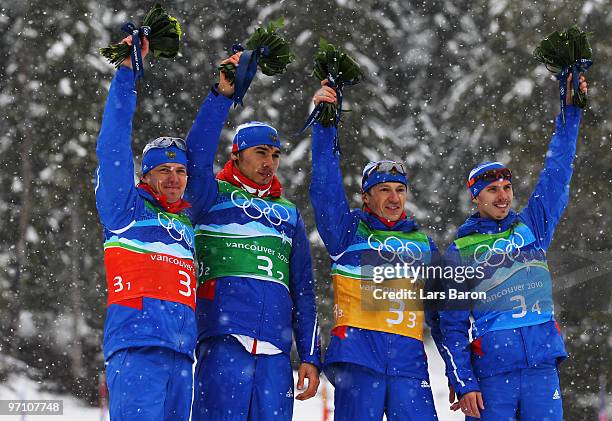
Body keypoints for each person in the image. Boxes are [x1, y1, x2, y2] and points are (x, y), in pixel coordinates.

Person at [436, 74, 588, 420]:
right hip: (491, 376)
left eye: (507, 187)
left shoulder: (531, 227)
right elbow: (453, 327)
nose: (503, 195)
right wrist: (464, 382)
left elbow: (557, 172)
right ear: (476, 197)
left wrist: (570, 114)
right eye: (492, 190)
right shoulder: (459, 251)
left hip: (541, 368)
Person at [185, 53, 321, 421]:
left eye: (276, 155)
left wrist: (310, 356)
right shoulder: (211, 195)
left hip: (275, 356)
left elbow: (303, 291)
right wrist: (220, 96)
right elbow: (193, 159)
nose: (270, 162)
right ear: (237, 154)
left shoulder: (288, 214)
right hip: (224, 344)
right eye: (261, 153)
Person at [310, 83, 439, 420]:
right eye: (384, 190)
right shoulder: (347, 233)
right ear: (366, 197)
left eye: (400, 190)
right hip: (358, 363)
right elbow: (324, 186)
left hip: (410, 367)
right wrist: (326, 126)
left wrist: (460, 375)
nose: (394, 198)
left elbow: (450, 311)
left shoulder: (424, 245)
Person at [95, 36, 196, 420]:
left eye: (180, 171)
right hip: (137, 350)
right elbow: (113, 148)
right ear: (146, 175)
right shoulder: (126, 210)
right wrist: (125, 75)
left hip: (181, 355)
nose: (173, 178)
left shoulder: (186, 222)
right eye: (163, 170)